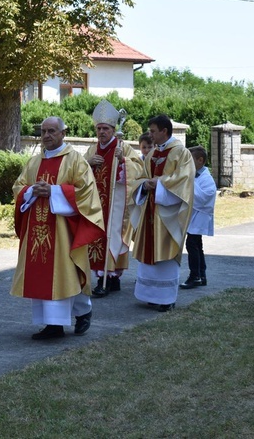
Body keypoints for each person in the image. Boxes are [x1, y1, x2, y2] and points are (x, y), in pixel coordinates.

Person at [12, 117, 104, 339]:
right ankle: (53, 325)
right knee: (45, 274)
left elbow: (86, 193)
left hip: (65, 230)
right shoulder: (34, 162)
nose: (46, 136)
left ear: (63, 133)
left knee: (68, 272)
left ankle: (84, 312)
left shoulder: (76, 161)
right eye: (43, 131)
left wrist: (53, 192)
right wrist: (32, 190)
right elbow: (18, 187)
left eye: (52, 131)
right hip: (38, 230)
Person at [129, 114, 195, 312]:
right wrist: (144, 184)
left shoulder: (181, 153)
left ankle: (166, 298)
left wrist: (158, 183)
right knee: (149, 252)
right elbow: (140, 177)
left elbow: (184, 180)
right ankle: (150, 295)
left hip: (168, 214)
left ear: (165, 131)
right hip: (149, 209)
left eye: (153, 131)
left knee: (165, 253)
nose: (150, 135)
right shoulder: (151, 154)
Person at [85, 100, 144, 297]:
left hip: (116, 204)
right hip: (96, 205)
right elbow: (78, 171)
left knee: (113, 238)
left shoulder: (123, 148)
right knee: (97, 238)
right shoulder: (92, 150)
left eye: (106, 128)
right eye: (99, 128)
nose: (101, 132)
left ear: (113, 129)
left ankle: (110, 279)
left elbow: (139, 169)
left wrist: (123, 161)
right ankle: (107, 278)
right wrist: (88, 162)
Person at [180, 146, 217, 289]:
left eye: (189, 160)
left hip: (200, 216)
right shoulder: (195, 175)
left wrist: (189, 181)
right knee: (196, 245)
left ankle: (195, 276)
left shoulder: (206, 178)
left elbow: (204, 198)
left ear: (200, 160)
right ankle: (201, 275)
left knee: (192, 244)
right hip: (194, 215)